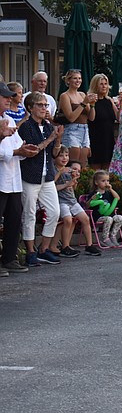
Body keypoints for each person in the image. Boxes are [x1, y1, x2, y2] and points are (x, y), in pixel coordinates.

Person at [19, 91, 64, 265]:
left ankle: (44, 248)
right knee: (29, 213)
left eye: (46, 105)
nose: (45, 108)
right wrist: (50, 138)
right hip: (31, 175)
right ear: (30, 108)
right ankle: (30, 251)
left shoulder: (47, 126)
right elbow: (32, 151)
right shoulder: (26, 127)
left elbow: (54, 154)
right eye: (41, 105)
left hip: (47, 175)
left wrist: (58, 140)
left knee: (54, 211)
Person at [0, 81, 36, 276]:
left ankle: (9, 258)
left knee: (14, 220)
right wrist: (16, 151)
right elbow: (4, 151)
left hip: (13, 179)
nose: (9, 99)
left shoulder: (10, 120)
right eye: (5, 96)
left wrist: (25, 151)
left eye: (10, 96)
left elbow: (16, 147)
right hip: (0, 180)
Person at [54, 152, 100, 256]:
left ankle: (89, 245)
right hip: (61, 201)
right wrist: (66, 181)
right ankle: (65, 246)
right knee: (68, 220)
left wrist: (74, 180)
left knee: (85, 219)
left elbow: (72, 189)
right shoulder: (56, 171)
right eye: (61, 155)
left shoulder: (69, 174)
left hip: (72, 201)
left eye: (66, 155)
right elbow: (52, 186)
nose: (64, 158)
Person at [59, 69, 97, 168]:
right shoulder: (65, 96)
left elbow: (91, 118)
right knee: (73, 161)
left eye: (79, 78)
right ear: (68, 81)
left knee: (83, 162)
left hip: (85, 129)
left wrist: (92, 105)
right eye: (75, 78)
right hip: (72, 129)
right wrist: (84, 103)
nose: (78, 81)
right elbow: (71, 117)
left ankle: (81, 183)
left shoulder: (82, 95)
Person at [87, 73, 122, 170]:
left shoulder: (109, 100)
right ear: (95, 85)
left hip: (108, 137)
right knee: (96, 168)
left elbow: (119, 118)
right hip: (95, 138)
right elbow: (91, 118)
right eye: (101, 84)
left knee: (107, 168)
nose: (104, 86)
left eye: (105, 84)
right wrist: (92, 105)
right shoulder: (89, 100)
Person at [88, 170, 122, 248]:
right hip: (98, 217)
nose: (106, 183)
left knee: (119, 218)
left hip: (110, 214)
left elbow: (117, 198)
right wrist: (92, 199)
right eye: (103, 181)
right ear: (96, 182)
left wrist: (111, 189)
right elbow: (88, 205)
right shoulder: (94, 194)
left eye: (108, 181)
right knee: (108, 219)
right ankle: (105, 238)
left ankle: (113, 236)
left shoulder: (108, 193)